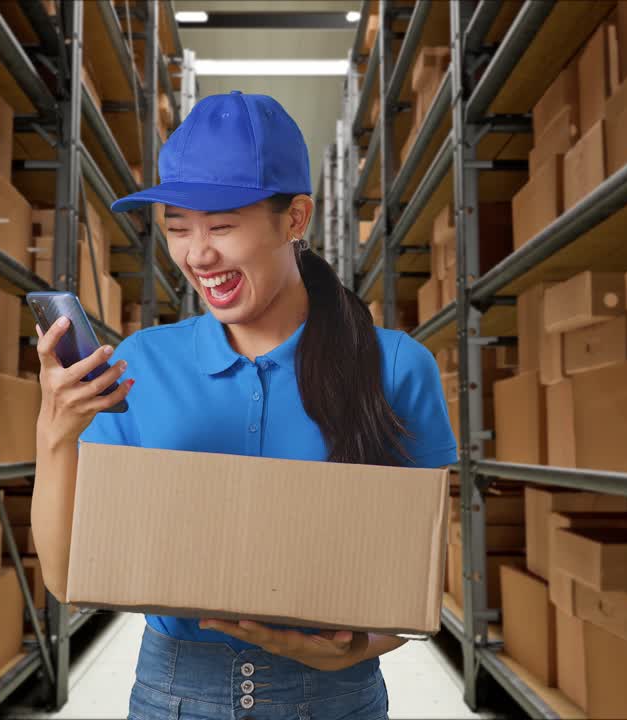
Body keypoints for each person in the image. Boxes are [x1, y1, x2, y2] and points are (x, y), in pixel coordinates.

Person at [32, 91, 457, 720]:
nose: (198, 255)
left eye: (223, 226)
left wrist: (355, 649)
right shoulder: (141, 364)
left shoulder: (394, 367)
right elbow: (68, 581)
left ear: (294, 219)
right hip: (173, 695)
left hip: (335, 699)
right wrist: (56, 436)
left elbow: (417, 581)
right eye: (179, 229)